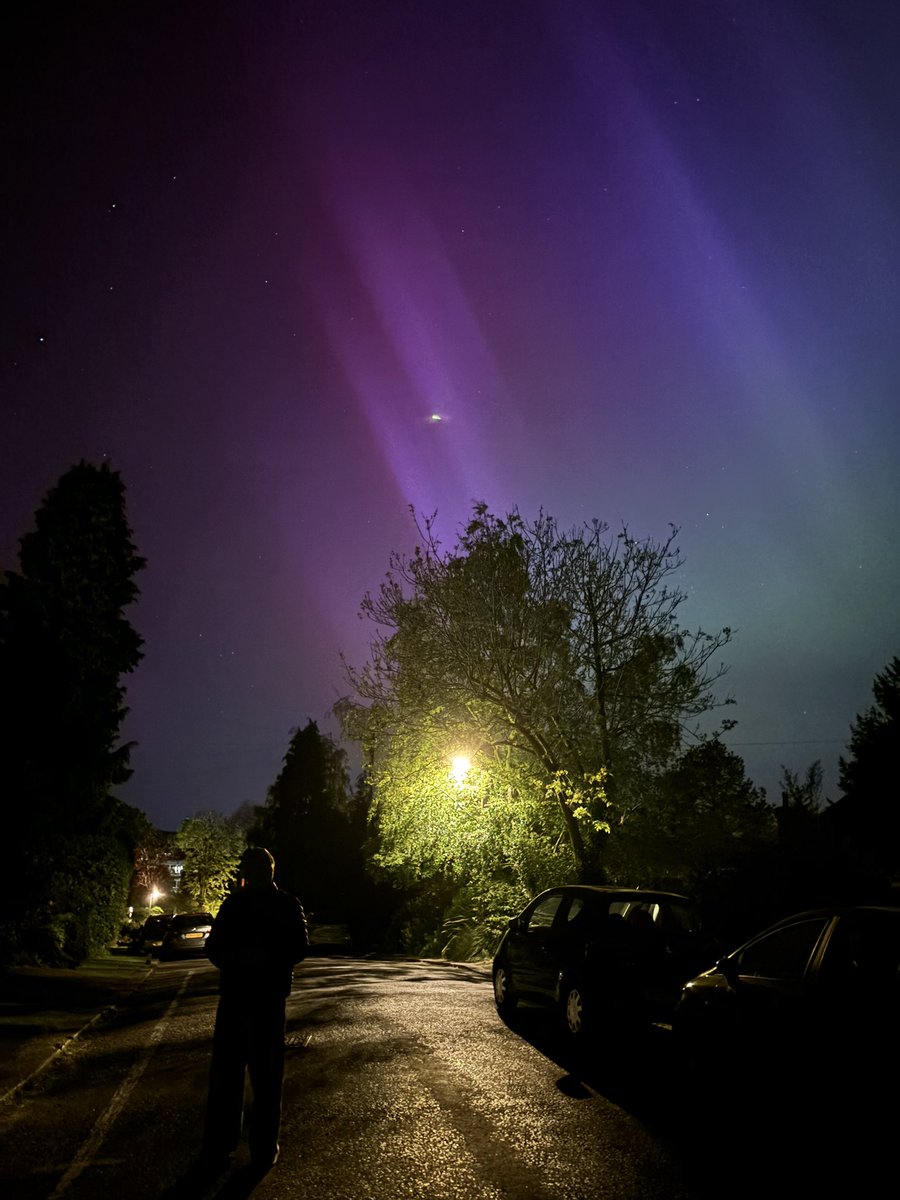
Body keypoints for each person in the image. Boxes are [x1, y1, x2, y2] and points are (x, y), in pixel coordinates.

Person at [201, 846, 309, 1175]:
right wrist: (269, 960)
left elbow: (214, 948)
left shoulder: (234, 904)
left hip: (236, 997)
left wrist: (240, 960)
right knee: (266, 1078)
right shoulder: (288, 904)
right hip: (269, 999)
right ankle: (263, 1149)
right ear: (271, 871)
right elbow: (299, 947)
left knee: (228, 1076)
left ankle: (222, 1144)